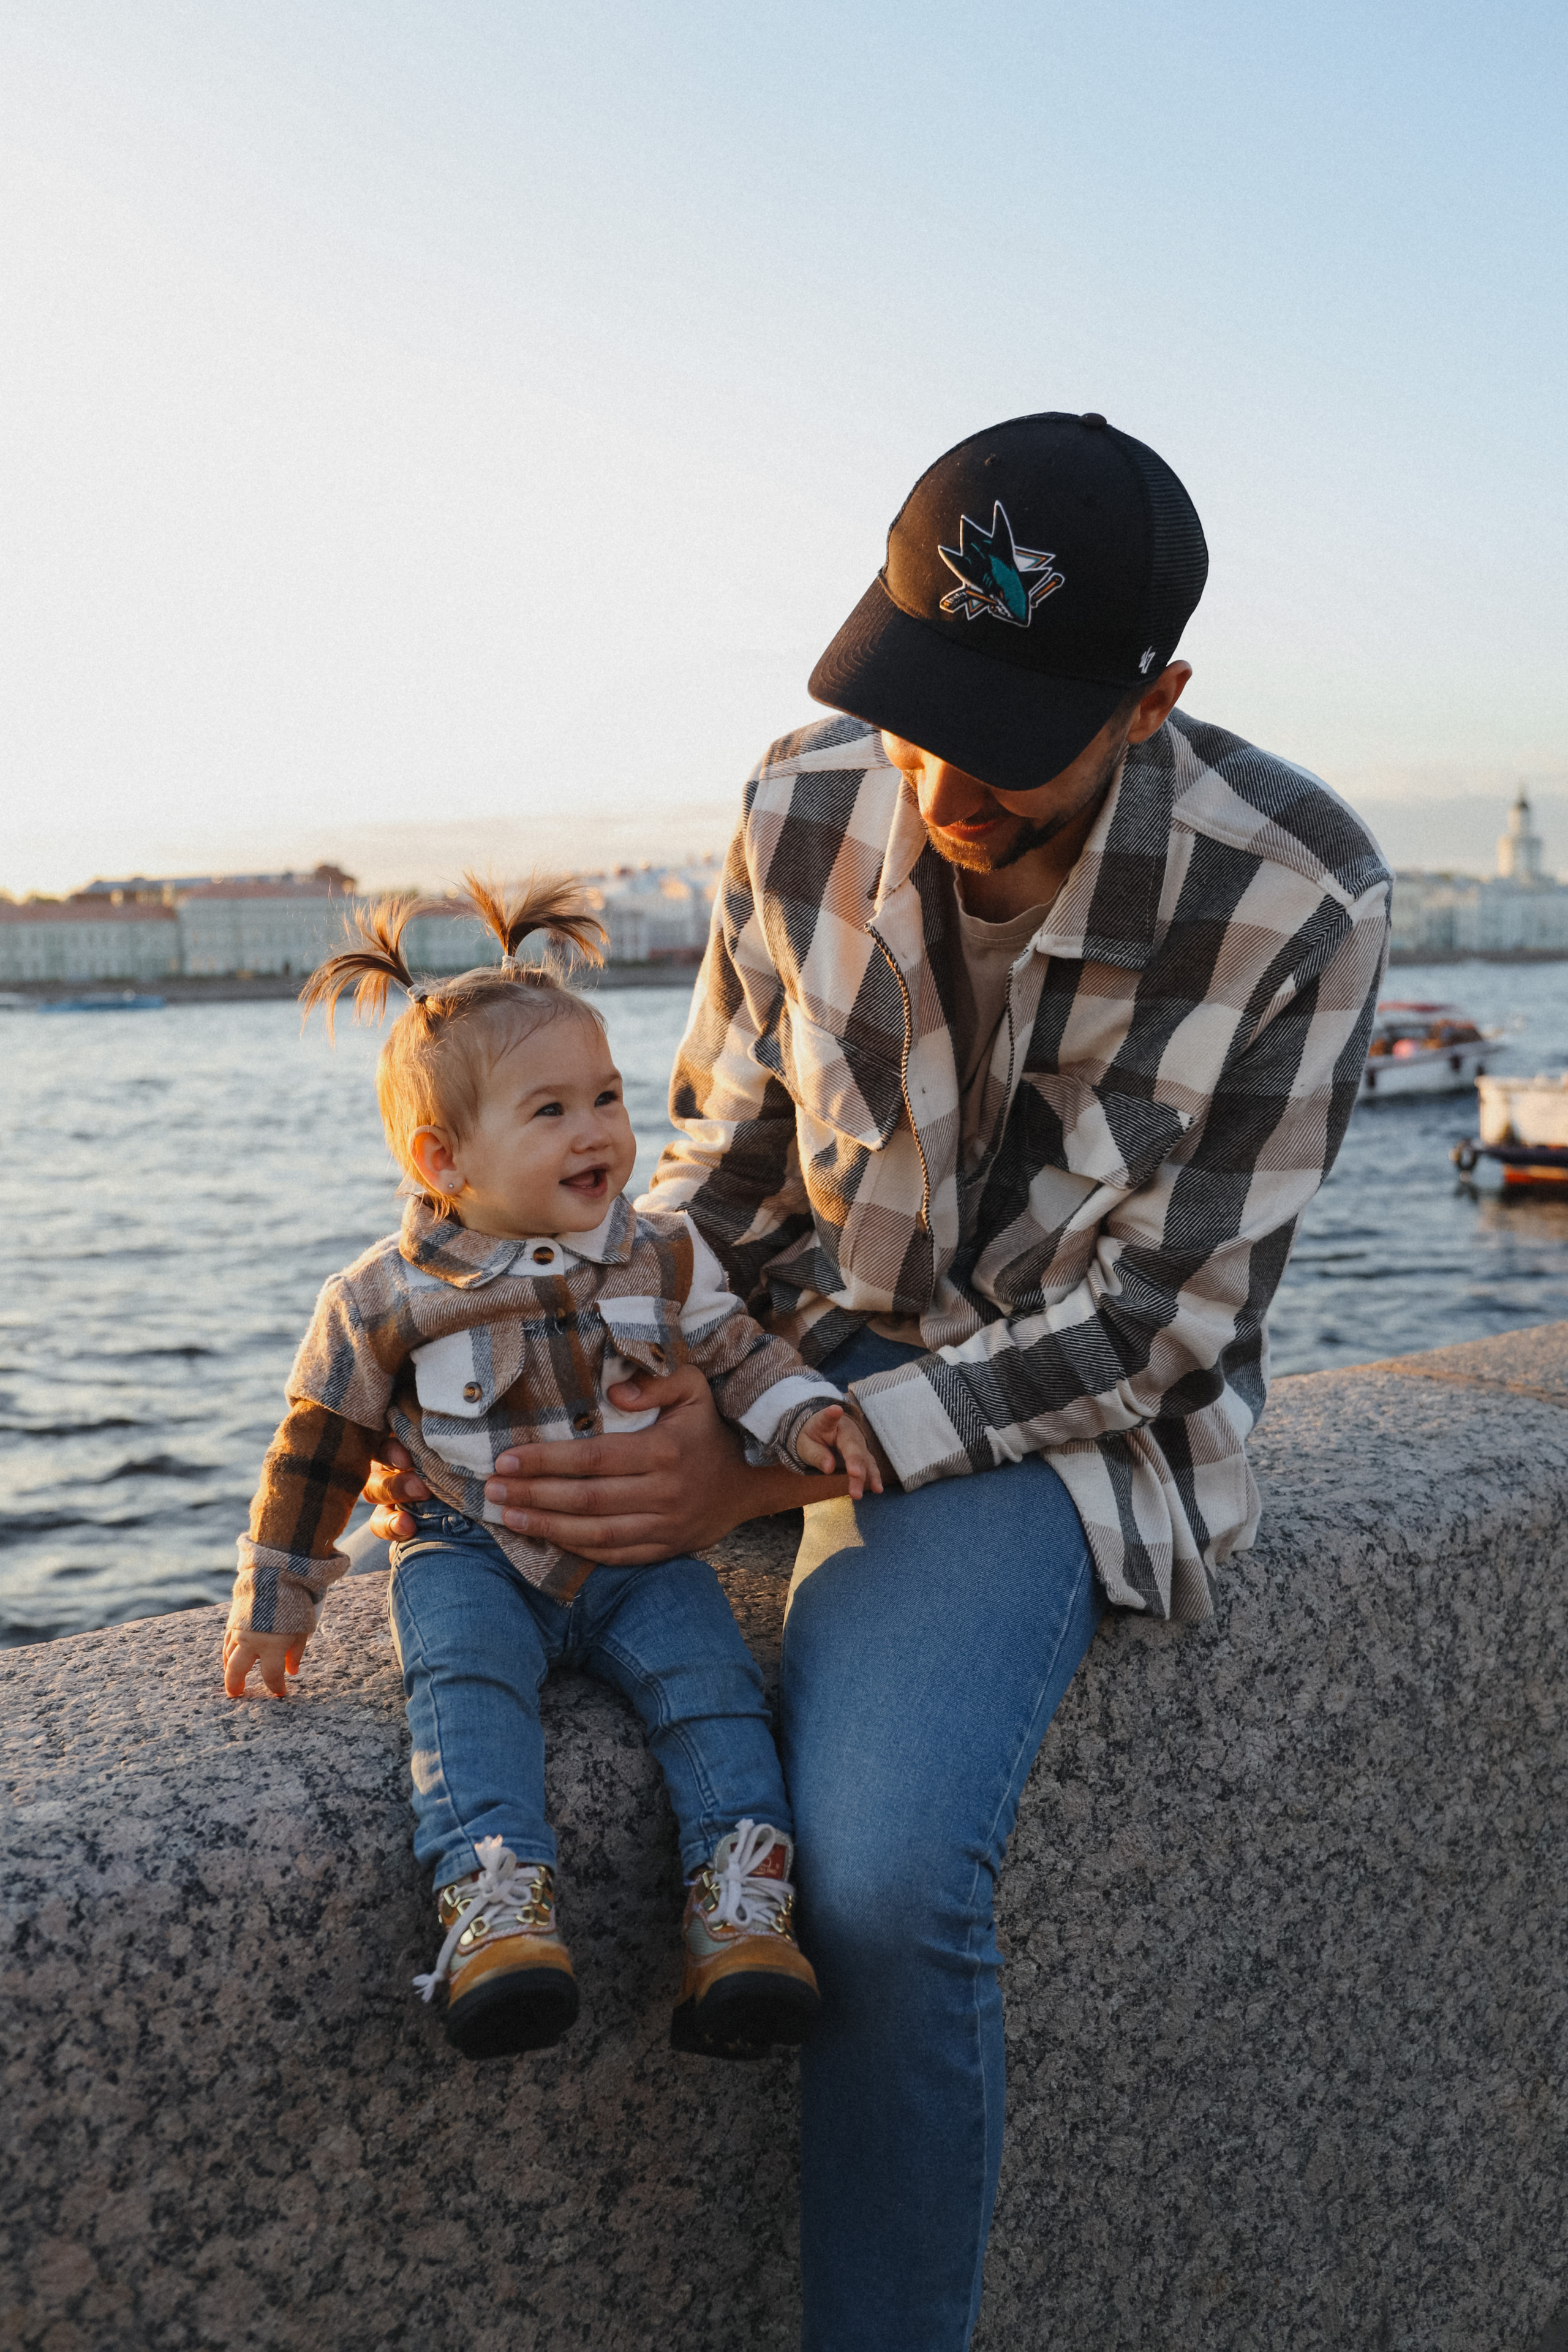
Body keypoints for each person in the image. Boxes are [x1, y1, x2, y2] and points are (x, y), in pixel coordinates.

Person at [363, 413, 1392, 2347]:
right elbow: (725, 1173)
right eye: (914, 704)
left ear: (1155, 698)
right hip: (787, 1358)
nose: (937, 781)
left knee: (895, 1880)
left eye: (1006, 735)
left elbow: (1156, 1326)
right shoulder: (802, 802)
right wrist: (591, 1378)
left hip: (1064, 1434)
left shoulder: (1302, 897)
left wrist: (755, 1490)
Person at [222, 875, 878, 2064]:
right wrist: (279, 1605)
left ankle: (740, 1916)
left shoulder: (661, 1253)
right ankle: (494, 1908)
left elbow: (739, 1356)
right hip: (469, 1552)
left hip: (640, 1555)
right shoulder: (381, 1298)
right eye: (550, 1111)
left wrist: (809, 1421)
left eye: (607, 1099)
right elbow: (316, 1455)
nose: (596, 1131)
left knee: (715, 1692)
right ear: (442, 1158)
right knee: (464, 1697)